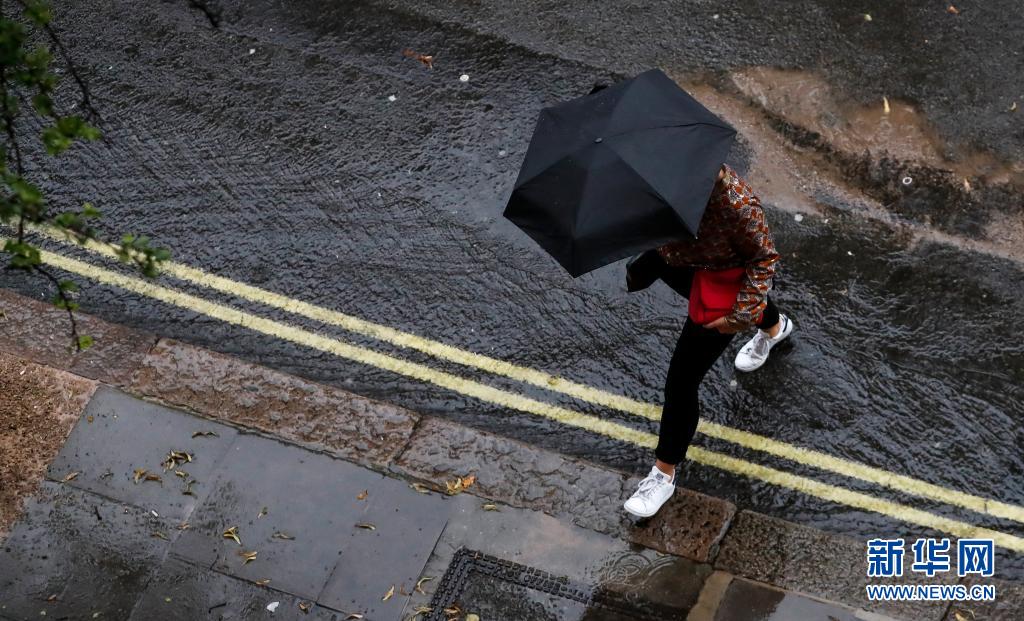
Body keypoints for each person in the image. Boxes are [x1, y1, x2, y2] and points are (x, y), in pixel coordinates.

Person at [622, 163, 793, 518]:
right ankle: (776, 328)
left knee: (681, 381)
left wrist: (738, 317)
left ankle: (663, 474)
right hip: (681, 260)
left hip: (719, 280)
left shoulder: (738, 205)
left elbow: (763, 261)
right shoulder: (666, 179)